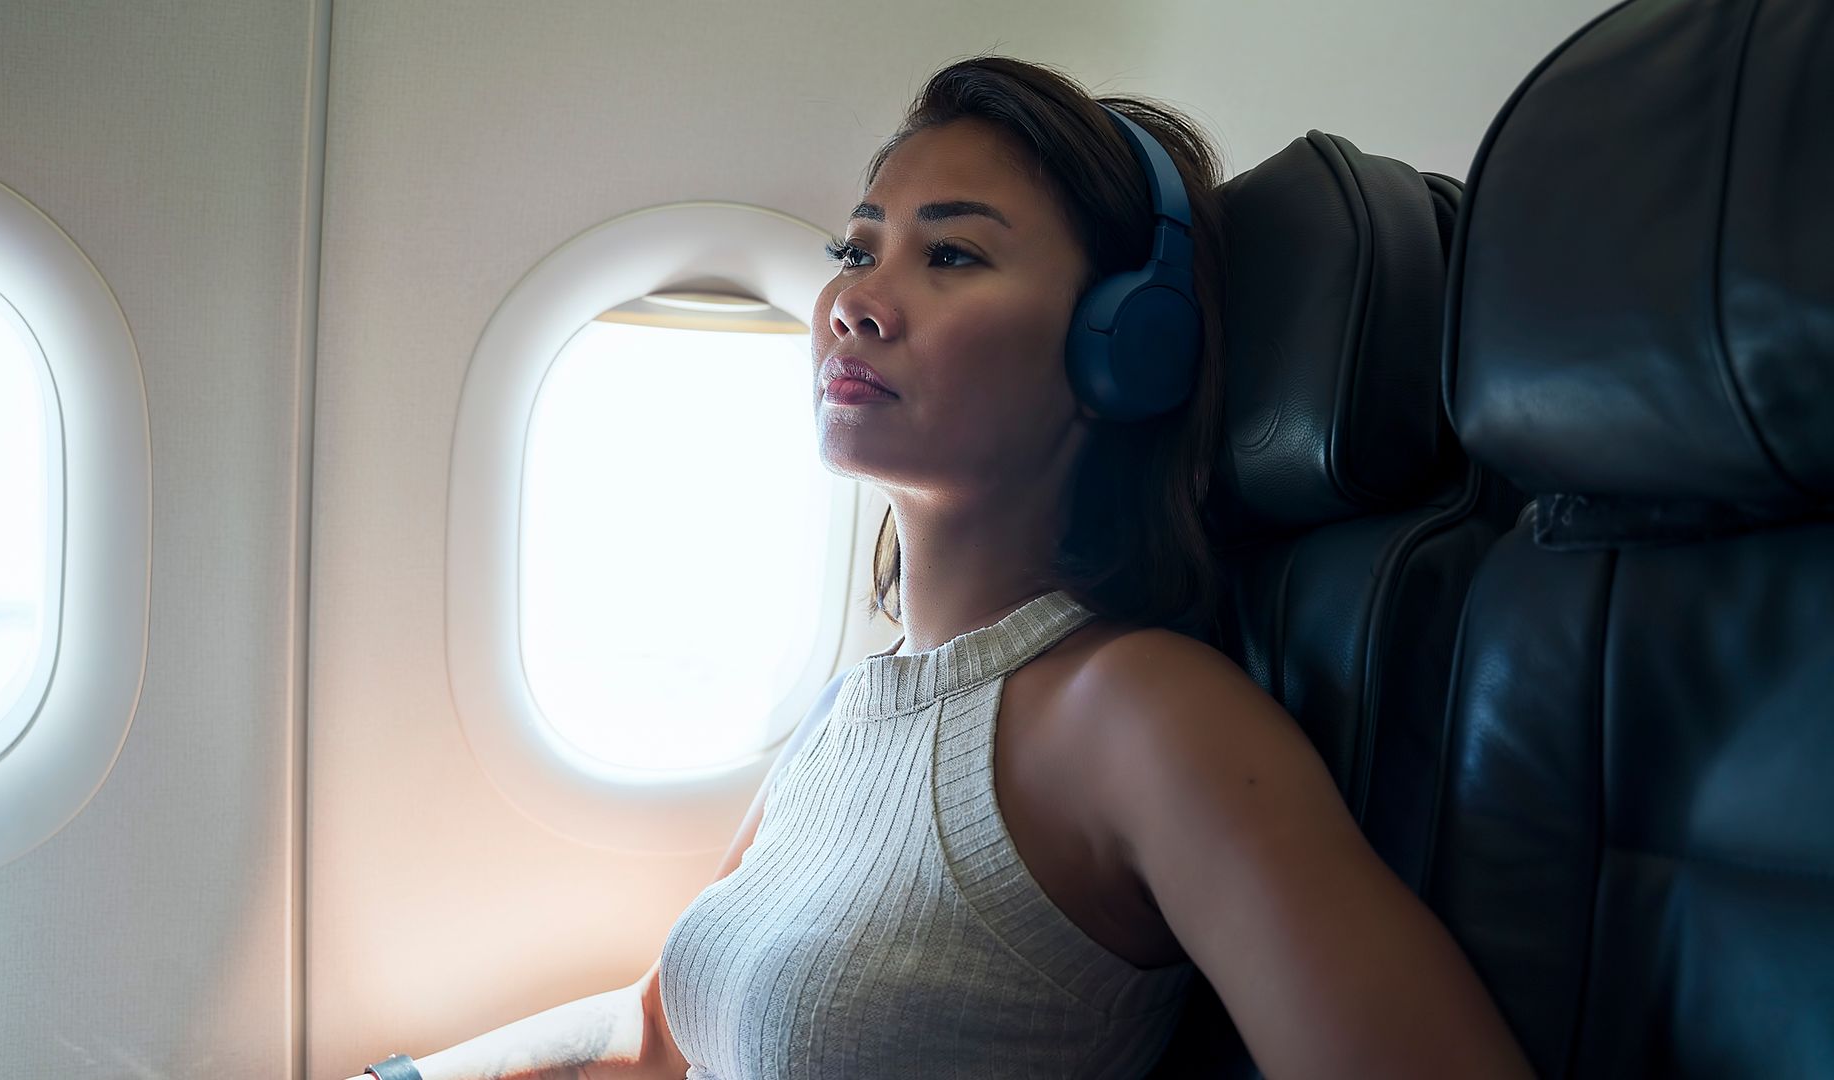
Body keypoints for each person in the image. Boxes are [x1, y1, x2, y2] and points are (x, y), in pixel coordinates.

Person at [349, 55, 1534, 1080]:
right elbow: (662, 1031)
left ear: (1124, 346)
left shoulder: (1138, 714)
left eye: (953, 254)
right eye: (854, 248)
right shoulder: (845, 717)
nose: (858, 299)